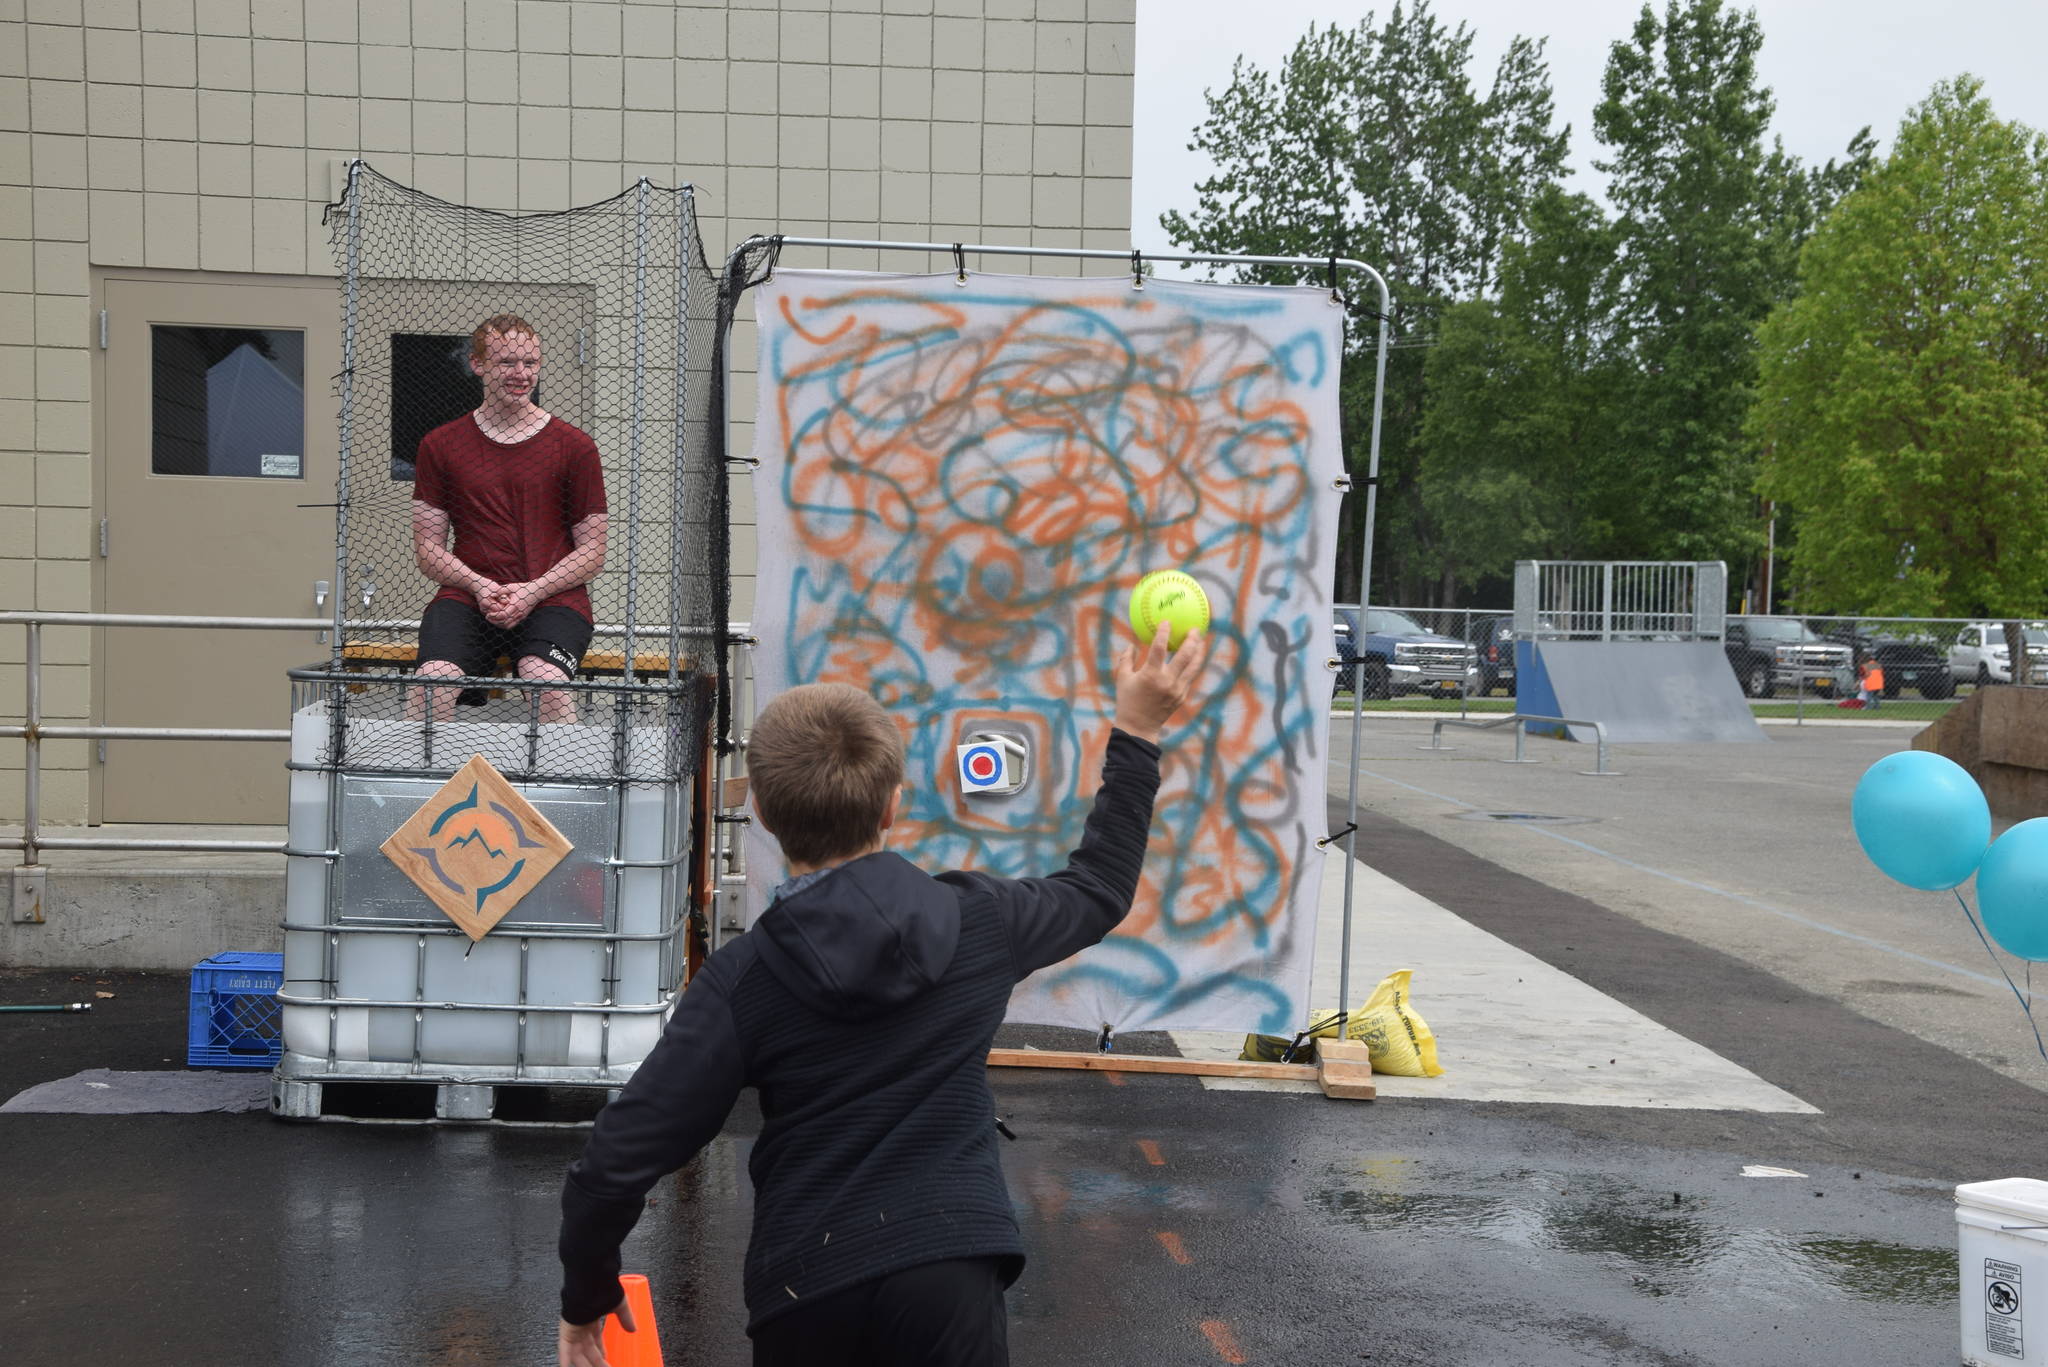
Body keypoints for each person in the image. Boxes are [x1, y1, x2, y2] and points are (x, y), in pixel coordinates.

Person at [555, 624, 1210, 1367]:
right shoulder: (979, 922)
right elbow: (1099, 887)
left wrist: (587, 1302)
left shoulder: (744, 982)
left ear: (762, 813)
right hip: (950, 1272)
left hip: (809, 1288)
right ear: (894, 804)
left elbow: (611, 1168)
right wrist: (1138, 729)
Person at [408, 314, 607, 724]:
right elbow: (428, 550)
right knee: (431, 684)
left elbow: (593, 553)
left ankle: (558, 786)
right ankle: (428, 784)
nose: (521, 374)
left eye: (530, 363)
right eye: (507, 363)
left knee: (546, 683)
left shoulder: (574, 447)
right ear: (477, 364)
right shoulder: (441, 445)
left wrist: (532, 592)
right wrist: (480, 586)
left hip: (552, 598)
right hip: (468, 597)